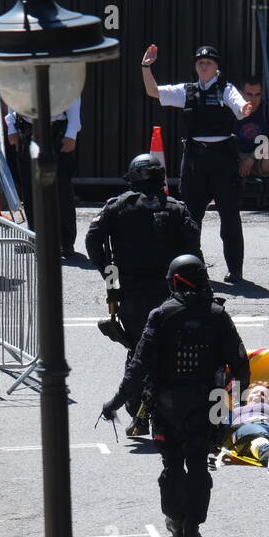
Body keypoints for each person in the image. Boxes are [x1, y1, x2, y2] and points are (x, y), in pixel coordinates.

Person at [102, 255, 250, 537]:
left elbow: (139, 365)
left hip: (166, 406)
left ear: (174, 282)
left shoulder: (161, 315)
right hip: (207, 404)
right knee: (198, 465)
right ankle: (192, 527)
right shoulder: (217, 315)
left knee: (171, 465)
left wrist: (116, 402)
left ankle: (176, 519)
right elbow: (242, 366)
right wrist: (235, 407)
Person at [85, 154, 202, 436]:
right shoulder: (177, 209)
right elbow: (193, 254)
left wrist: (109, 272)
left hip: (131, 293)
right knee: (170, 352)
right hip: (171, 292)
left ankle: (140, 413)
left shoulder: (117, 206)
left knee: (139, 350)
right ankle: (160, 411)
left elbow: (92, 239)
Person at [141, 44, 256, 284]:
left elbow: (239, 106)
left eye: (209, 63)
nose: (204, 66)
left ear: (216, 68)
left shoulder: (226, 89)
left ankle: (235, 270)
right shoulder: (187, 91)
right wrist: (146, 66)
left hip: (222, 160)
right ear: (196, 67)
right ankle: (193, 266)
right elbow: (153, 91)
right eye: (200, 62)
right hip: (194, 160)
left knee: (229, 216)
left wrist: (244, 107)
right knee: (190, 216)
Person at [6, 97, 81, 256]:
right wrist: (11, 127)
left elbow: (73, 96)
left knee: (61, 188)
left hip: (56, 130)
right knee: (29, 187)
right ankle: (34, 238)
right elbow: (14, 95)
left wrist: (72, 132)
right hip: (26, 128)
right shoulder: (22, 72)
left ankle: (66, 242)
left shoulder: (62, 72)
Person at [233, 77, 269, 211]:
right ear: (241, 94)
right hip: (235, 159)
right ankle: (216, 196)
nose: (253, 99)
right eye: (249, 94)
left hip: (259, 158)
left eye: (257, 95)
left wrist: (252, 157)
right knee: (218, 154)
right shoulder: (232, 110)